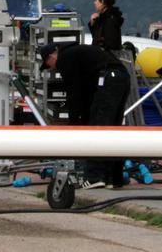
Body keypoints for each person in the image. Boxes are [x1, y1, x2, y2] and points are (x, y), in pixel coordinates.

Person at [40, 42, 130, 188]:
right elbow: (86, 91)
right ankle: (113, 178)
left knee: (98, 129)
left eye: (48, 64)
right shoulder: (79, 52)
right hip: (121, 76)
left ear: (51, 56)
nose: (52, 68)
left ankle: (95, 177)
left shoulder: (64, 58)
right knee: (113, 128)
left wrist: (75, 123)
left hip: (107, 78)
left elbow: (73, 92)